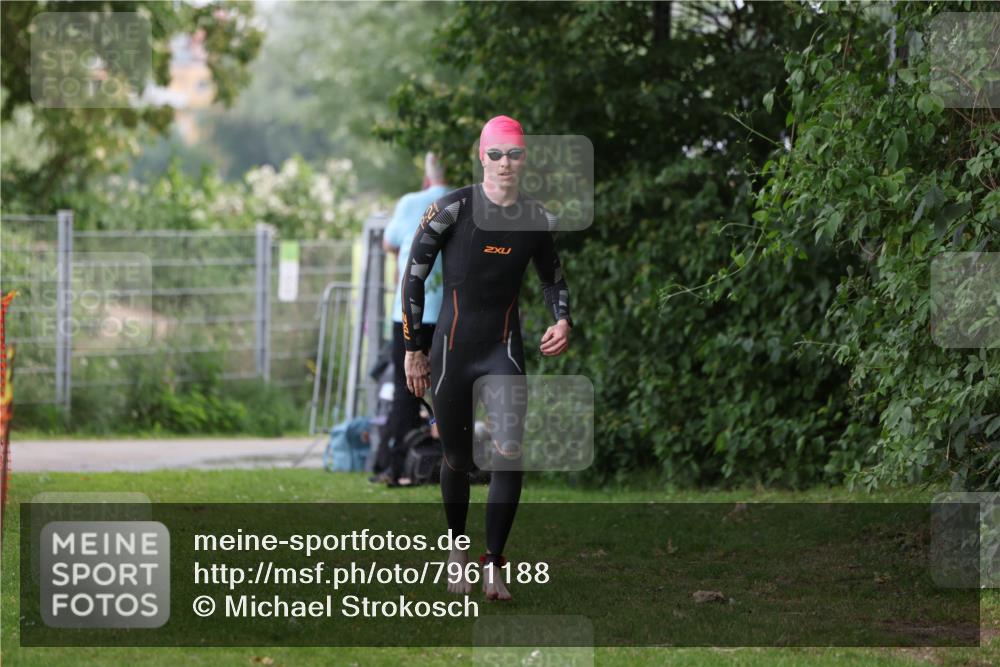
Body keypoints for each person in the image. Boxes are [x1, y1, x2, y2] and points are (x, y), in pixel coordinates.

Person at [401, 115, 573, 601]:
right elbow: (414, 278)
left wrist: (562, 319)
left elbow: (552, 278)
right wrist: (414, 350)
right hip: (453, 351)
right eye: (495, 154)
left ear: (524, 160)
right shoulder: (450, 210)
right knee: (457, 458)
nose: (504, 163)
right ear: (482, 156)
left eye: (514, 154)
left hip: (503, 349)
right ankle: (456, 549)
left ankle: (493, 563)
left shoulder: (534, 219)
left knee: (509, 454)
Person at [380, 153, 449, 486]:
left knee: (407, 391)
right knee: (448, 389)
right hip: (451, 311)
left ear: (426, 176)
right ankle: (450, 462)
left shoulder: (412, 203)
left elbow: (389, 242)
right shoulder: (467, 200)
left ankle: (397, 468)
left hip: (409, 312)